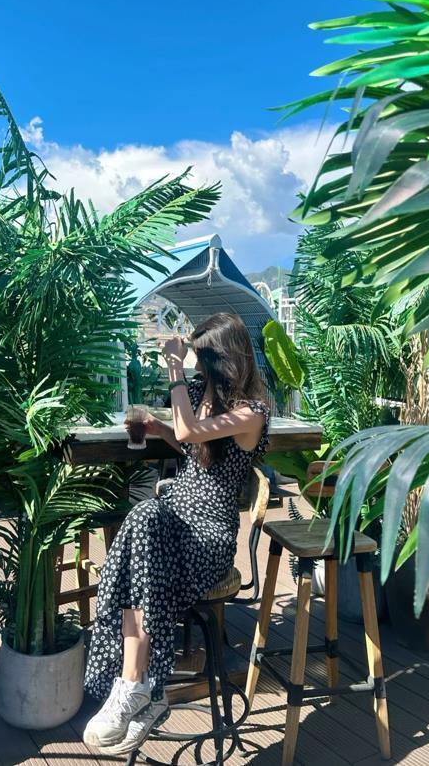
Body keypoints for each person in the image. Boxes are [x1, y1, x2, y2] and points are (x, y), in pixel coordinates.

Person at [83, 313, 270, 755]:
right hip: (175, 521)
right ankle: (138, 686)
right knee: (144, 529)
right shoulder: (208, 396)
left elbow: (190, 430)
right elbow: (192, 443)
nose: (197, 366)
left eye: (203, 360)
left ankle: (142, 689)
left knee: (144, 526)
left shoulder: (253, 413)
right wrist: (158, 430)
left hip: (208, 537)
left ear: (223, 359)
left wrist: (174, 370)